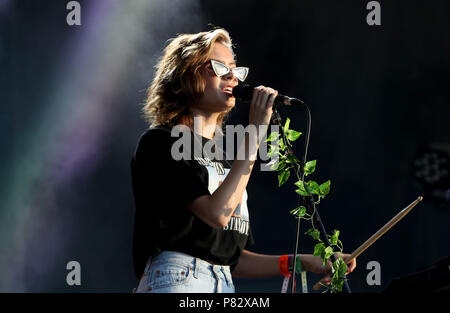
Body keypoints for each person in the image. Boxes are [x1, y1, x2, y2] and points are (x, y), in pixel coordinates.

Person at [130, 28, 356, 293]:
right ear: (186, 73)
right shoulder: (161, 142)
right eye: (218, 66)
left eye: (235, 70)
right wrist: (256, 132)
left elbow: (230, 258)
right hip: (178, 279)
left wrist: (303, 262)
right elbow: (218, 214)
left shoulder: (224, 159)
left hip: (223, 282)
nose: (232, 77)